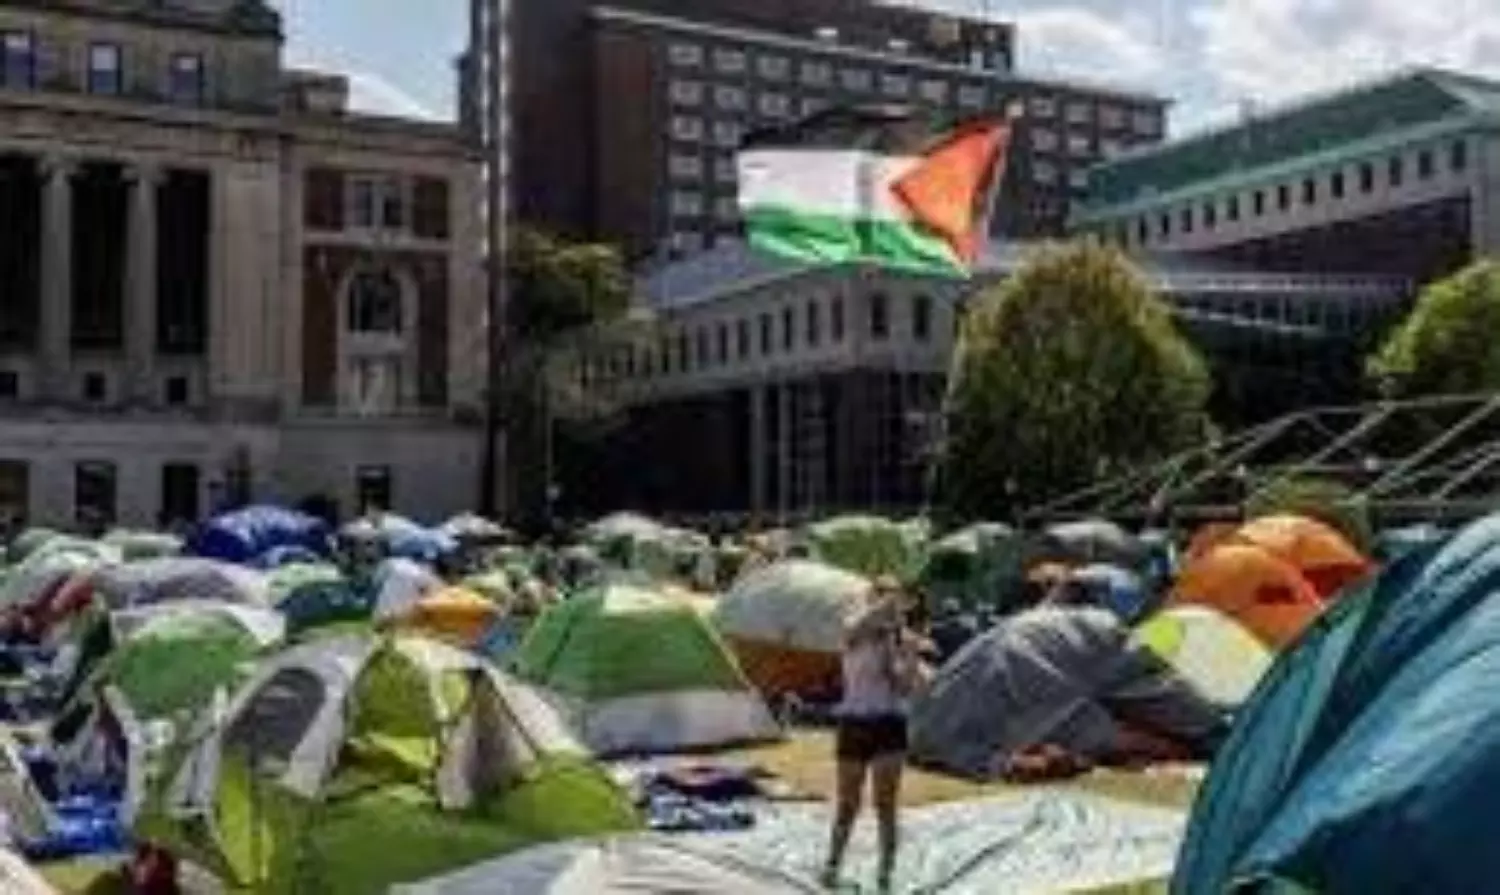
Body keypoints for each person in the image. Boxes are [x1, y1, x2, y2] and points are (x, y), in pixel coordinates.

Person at [821, 576, 931, 892]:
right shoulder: (854, 628)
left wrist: (909, 656)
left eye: (894, 599)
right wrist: (891, 603)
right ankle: (832, 864)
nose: (892, 605)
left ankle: (886, 873)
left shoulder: (899, 638)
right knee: (848, 804)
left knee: (886, 805)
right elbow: (852, 631)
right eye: (882, 596)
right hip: (854, 723)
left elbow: (904, 687)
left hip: (889, 724)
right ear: (873, 598)